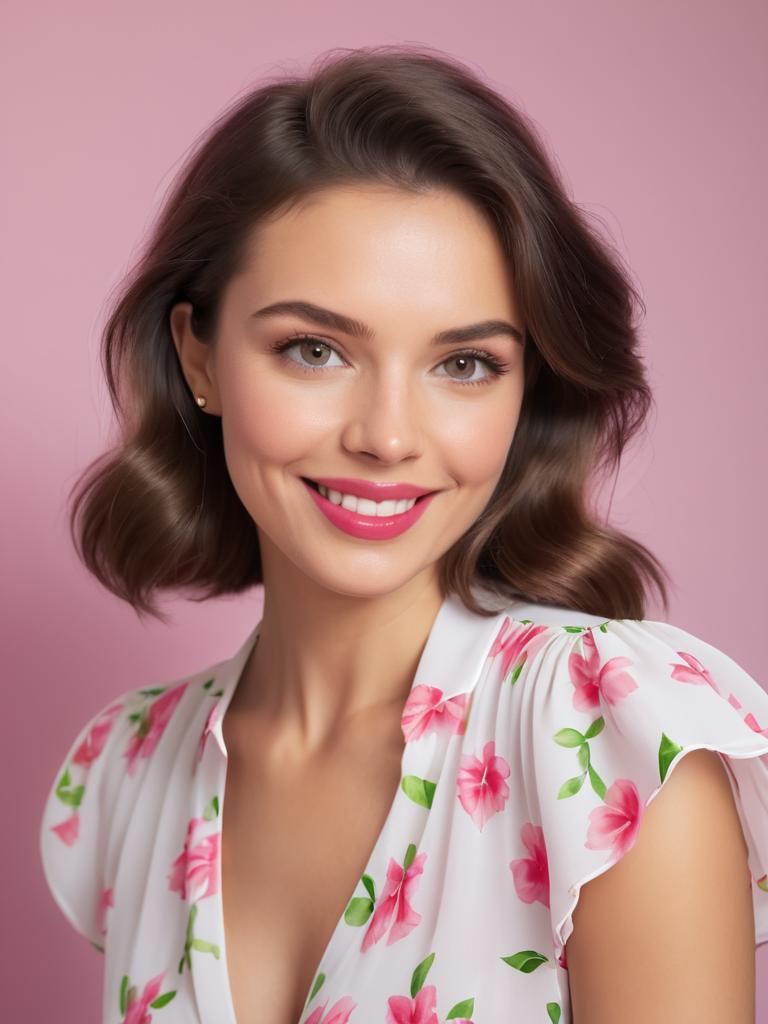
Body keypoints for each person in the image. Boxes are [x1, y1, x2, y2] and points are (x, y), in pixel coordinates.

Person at [39, 45, 768, 1024]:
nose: (386, 436)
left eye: (463, 363)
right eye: (315, 349)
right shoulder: (127, 774)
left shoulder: (615, 753)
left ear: (528, 390)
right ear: (199, 356)